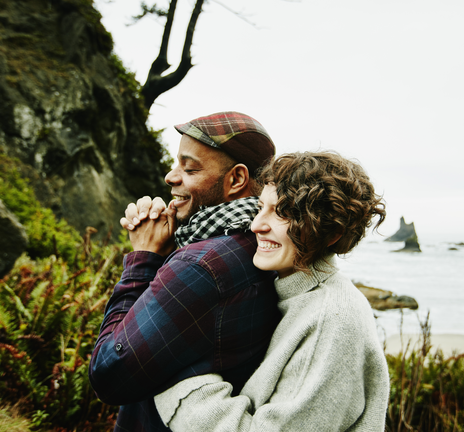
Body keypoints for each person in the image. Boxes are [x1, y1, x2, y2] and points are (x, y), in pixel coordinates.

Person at [153, 151, 391, 431]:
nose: (256, 225)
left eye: (282, 213)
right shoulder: (286, 291)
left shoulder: (332, 319)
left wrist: (173, 372)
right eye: (260, 207)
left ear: (331, 232)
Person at [89, 112, 283, 432]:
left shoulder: (202, 264)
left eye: (189, 167)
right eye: (175, 163)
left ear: (236, 179)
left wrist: (144, 256)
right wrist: (167, 251)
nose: (170, 176)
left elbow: (109, 374)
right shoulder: (260, 244)